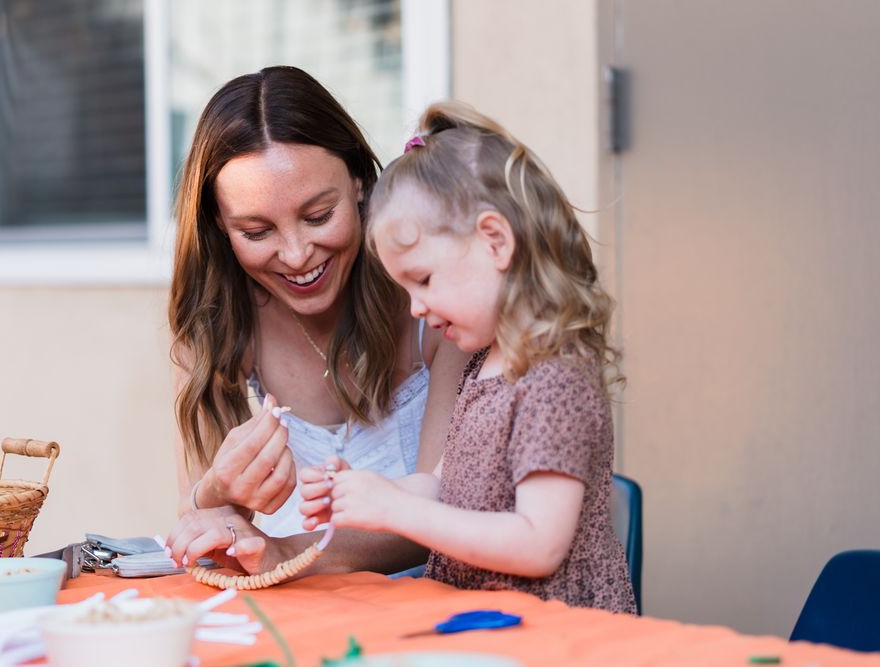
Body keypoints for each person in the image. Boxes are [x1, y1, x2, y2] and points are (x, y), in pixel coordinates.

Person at [299, 101, 637, 613]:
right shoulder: (483, 366)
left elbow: (538, 543)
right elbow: (440, 487)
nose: (415, 308)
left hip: (557, 633)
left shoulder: (554, 379)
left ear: (495, 241)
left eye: (423, 279)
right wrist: (367, 493)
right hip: (489, 624)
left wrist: (395, 512)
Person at [164, 66, 468, 572]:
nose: (296, 254)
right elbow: (199, 523)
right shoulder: (215, 325)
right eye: (256, 232)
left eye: (318, 216)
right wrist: (218, 491)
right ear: (220, 224)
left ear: (359, 182)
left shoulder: (434, 302)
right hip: (292, 609)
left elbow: (449, 512)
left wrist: (288, 553)